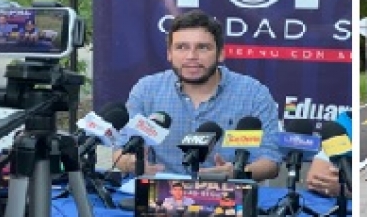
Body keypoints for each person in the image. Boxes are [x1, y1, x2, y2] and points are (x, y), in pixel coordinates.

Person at [113, 9, 281, 180]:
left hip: (227, 196)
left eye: (202, 47)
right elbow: (120, 151)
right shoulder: (146, 90)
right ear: (169, 54)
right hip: (159, 195)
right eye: (182, 47)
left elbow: (271, 162)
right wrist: (131, 163)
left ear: (221, 53)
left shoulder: (254, 94)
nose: (191, 56)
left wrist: (237, 173)